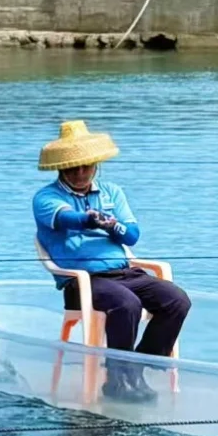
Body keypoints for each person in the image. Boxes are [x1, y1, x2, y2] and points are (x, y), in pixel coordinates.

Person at [32, 119, 191, 403]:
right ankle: (116, 382)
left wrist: (112, 226)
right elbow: (66, 217)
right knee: (126, 303)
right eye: (72, 167)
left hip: (124, 273)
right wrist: (89, 218)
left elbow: (131, 236)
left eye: (86, 166)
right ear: (61, 168)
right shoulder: (45, 197)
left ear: (95, 164)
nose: (80, 173)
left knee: (176, 299)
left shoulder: (112, 192)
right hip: (82, 281)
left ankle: (134, 367)